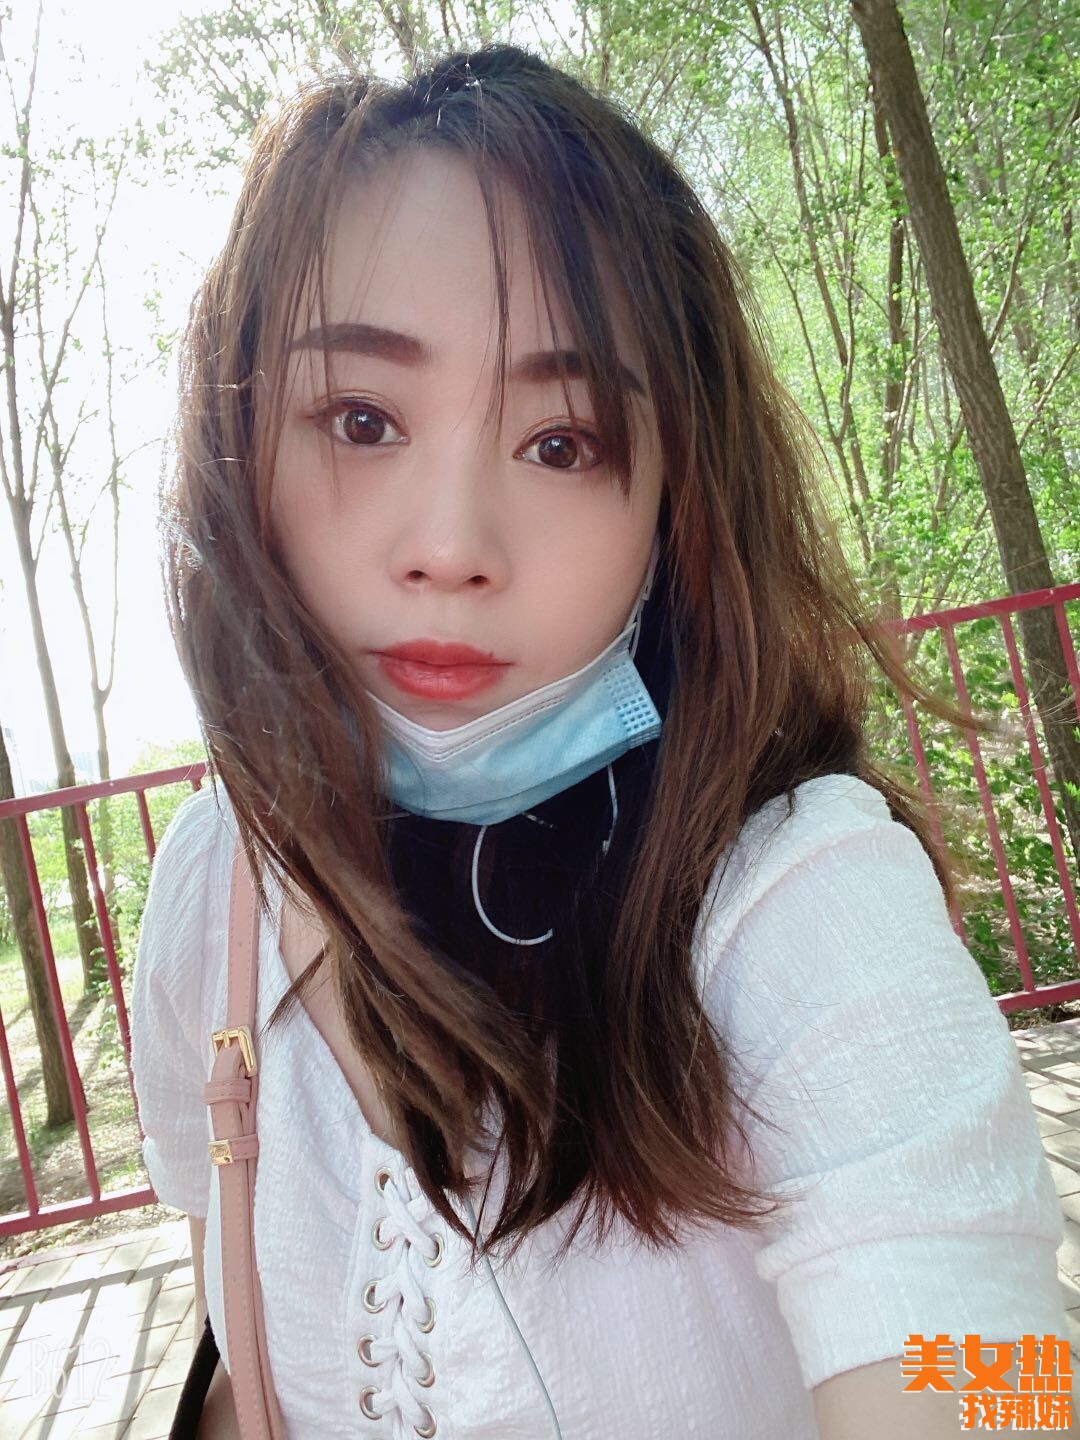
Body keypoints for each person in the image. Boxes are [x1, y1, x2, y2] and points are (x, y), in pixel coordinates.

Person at [130, 42, 1070, 1440]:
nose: (452, 544)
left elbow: (999, 1367)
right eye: (362, 420)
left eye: (562, 443)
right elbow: (237, 1328)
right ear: (240, 446)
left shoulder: (795, 895)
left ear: (676, 502)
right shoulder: (213, 886)